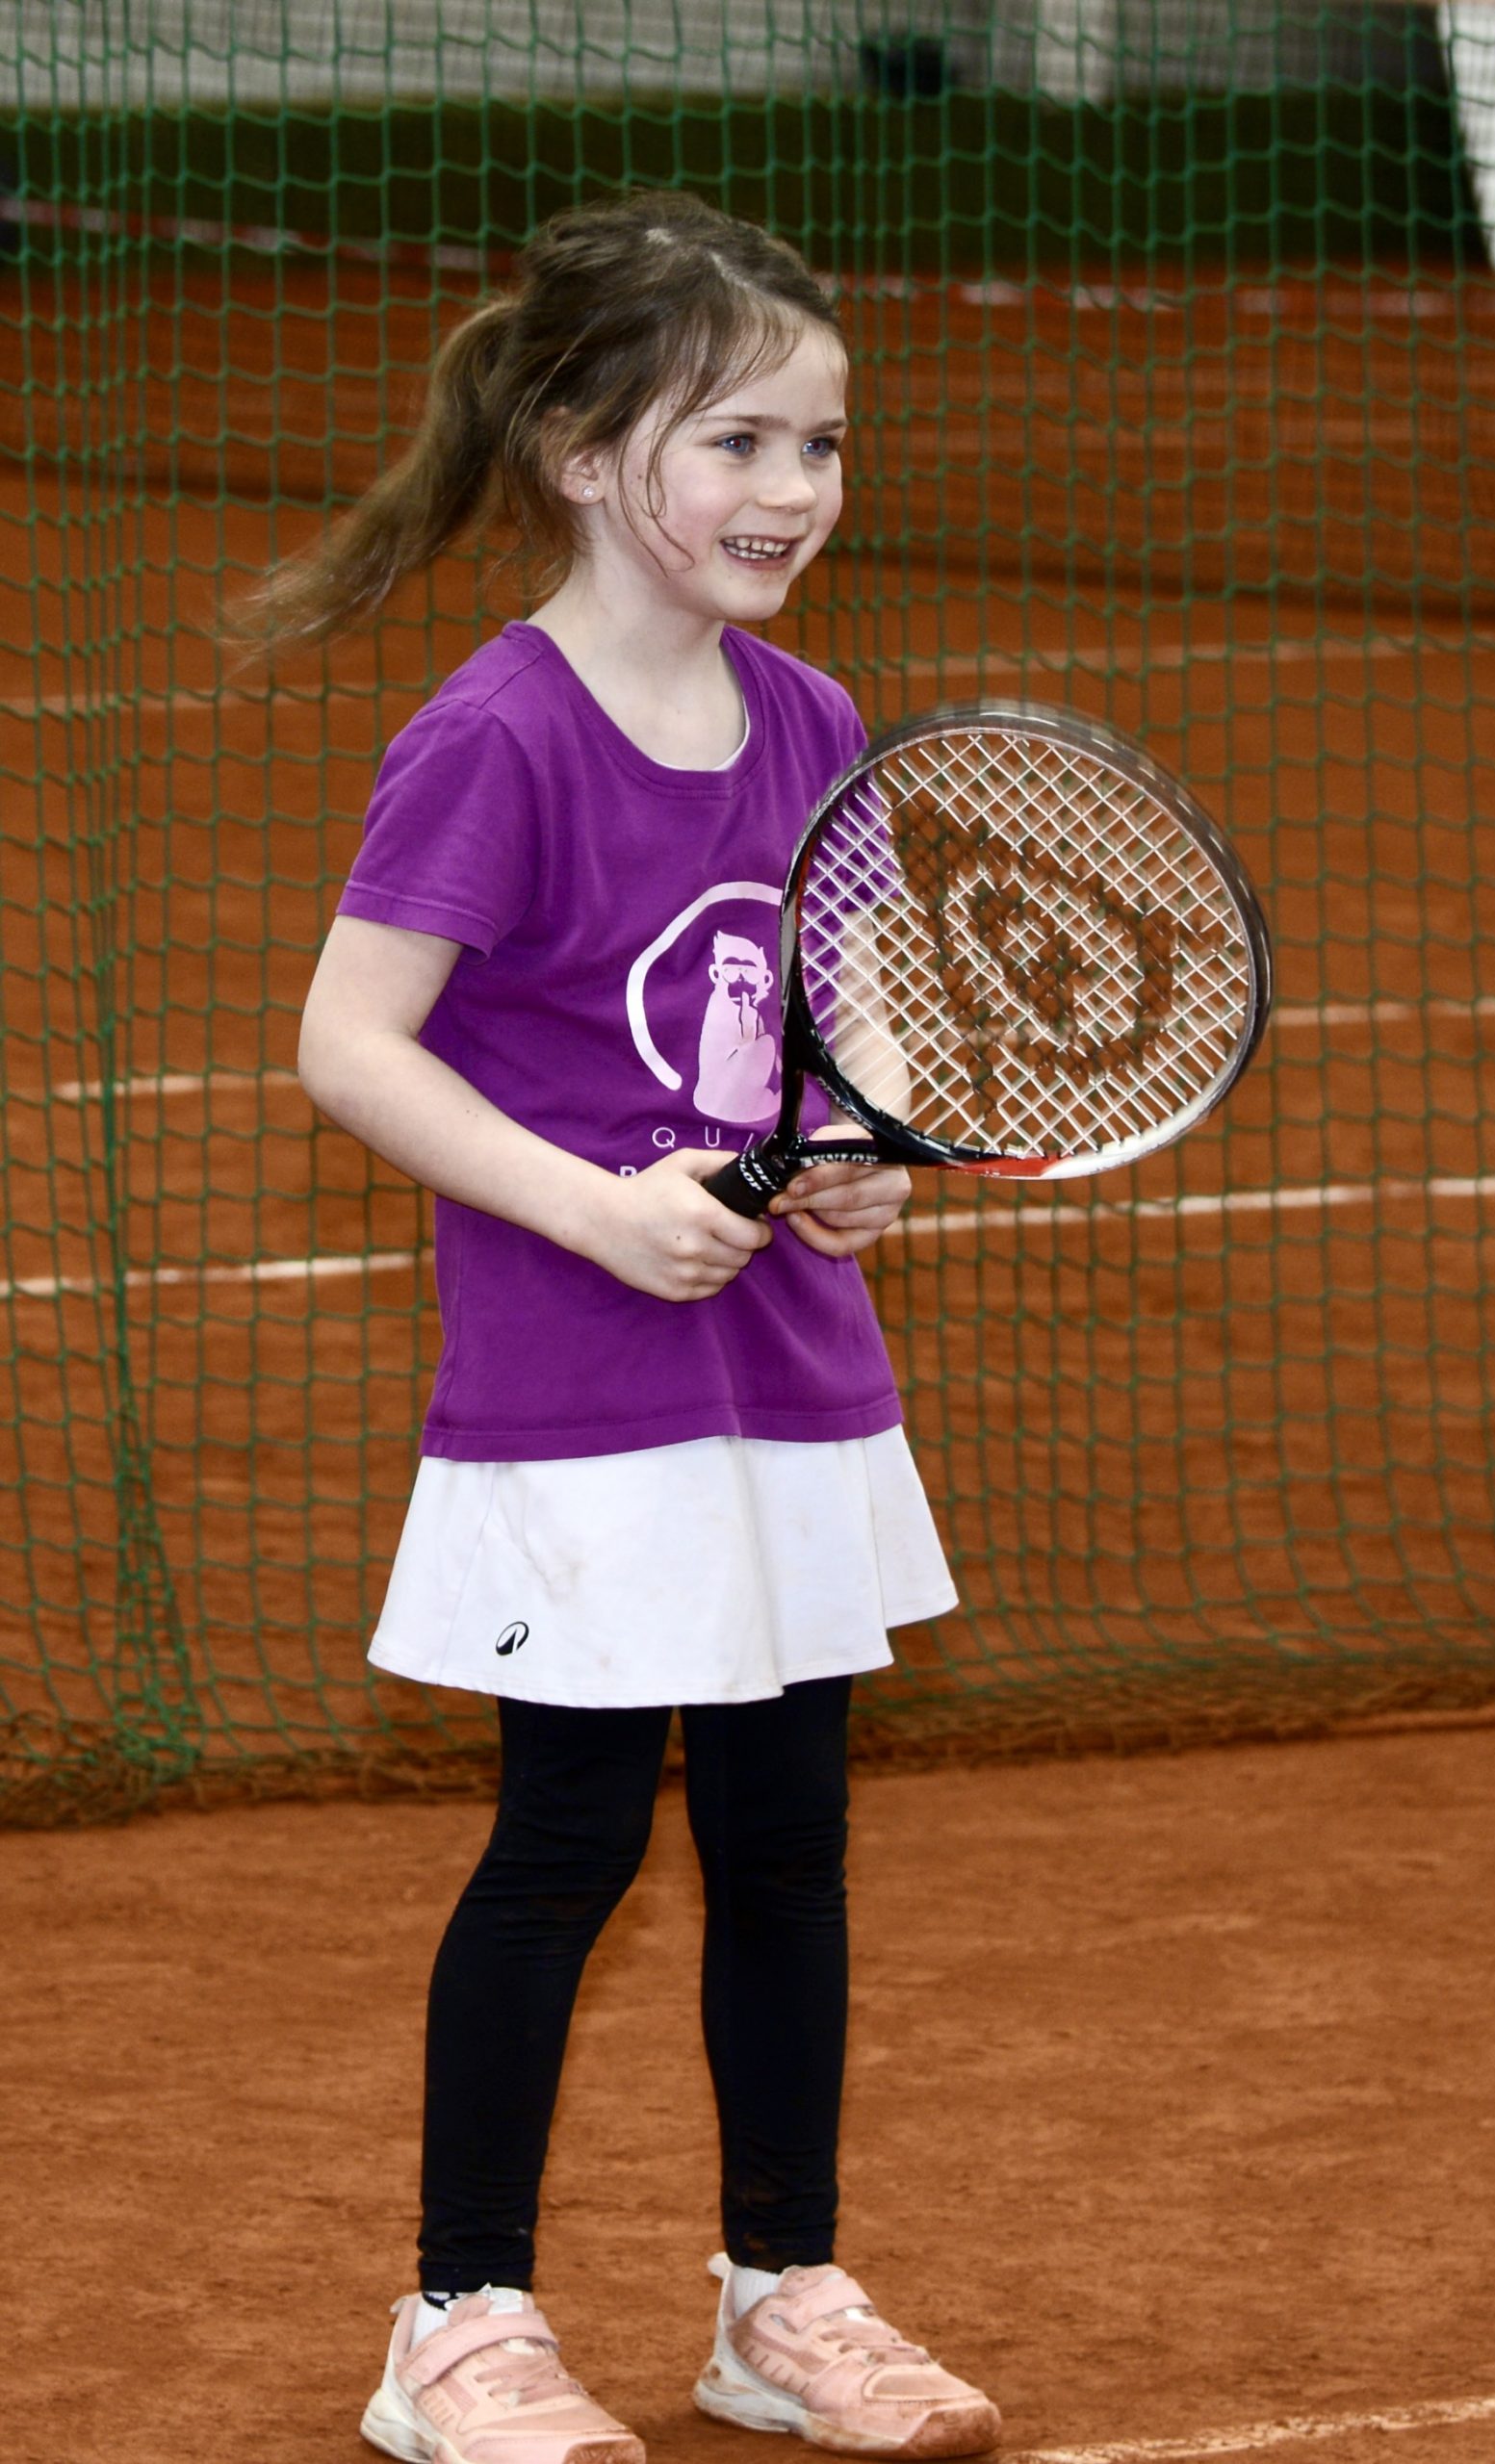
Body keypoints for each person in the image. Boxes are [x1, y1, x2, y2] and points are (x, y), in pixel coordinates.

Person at [254, 189, 1001, 2464]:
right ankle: (457, 2322)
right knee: (564, 1846)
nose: (793, 489)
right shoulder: (497, 734)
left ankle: (779, 2294)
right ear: (584, 453)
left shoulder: (812, 714)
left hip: (785, 1385)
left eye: (820, 443)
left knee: (783, 1847)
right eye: (736, 441)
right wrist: (596, 1208)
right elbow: (349, 1040)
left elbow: (844, 1012)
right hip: (582, 1396)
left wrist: (858, 1146)